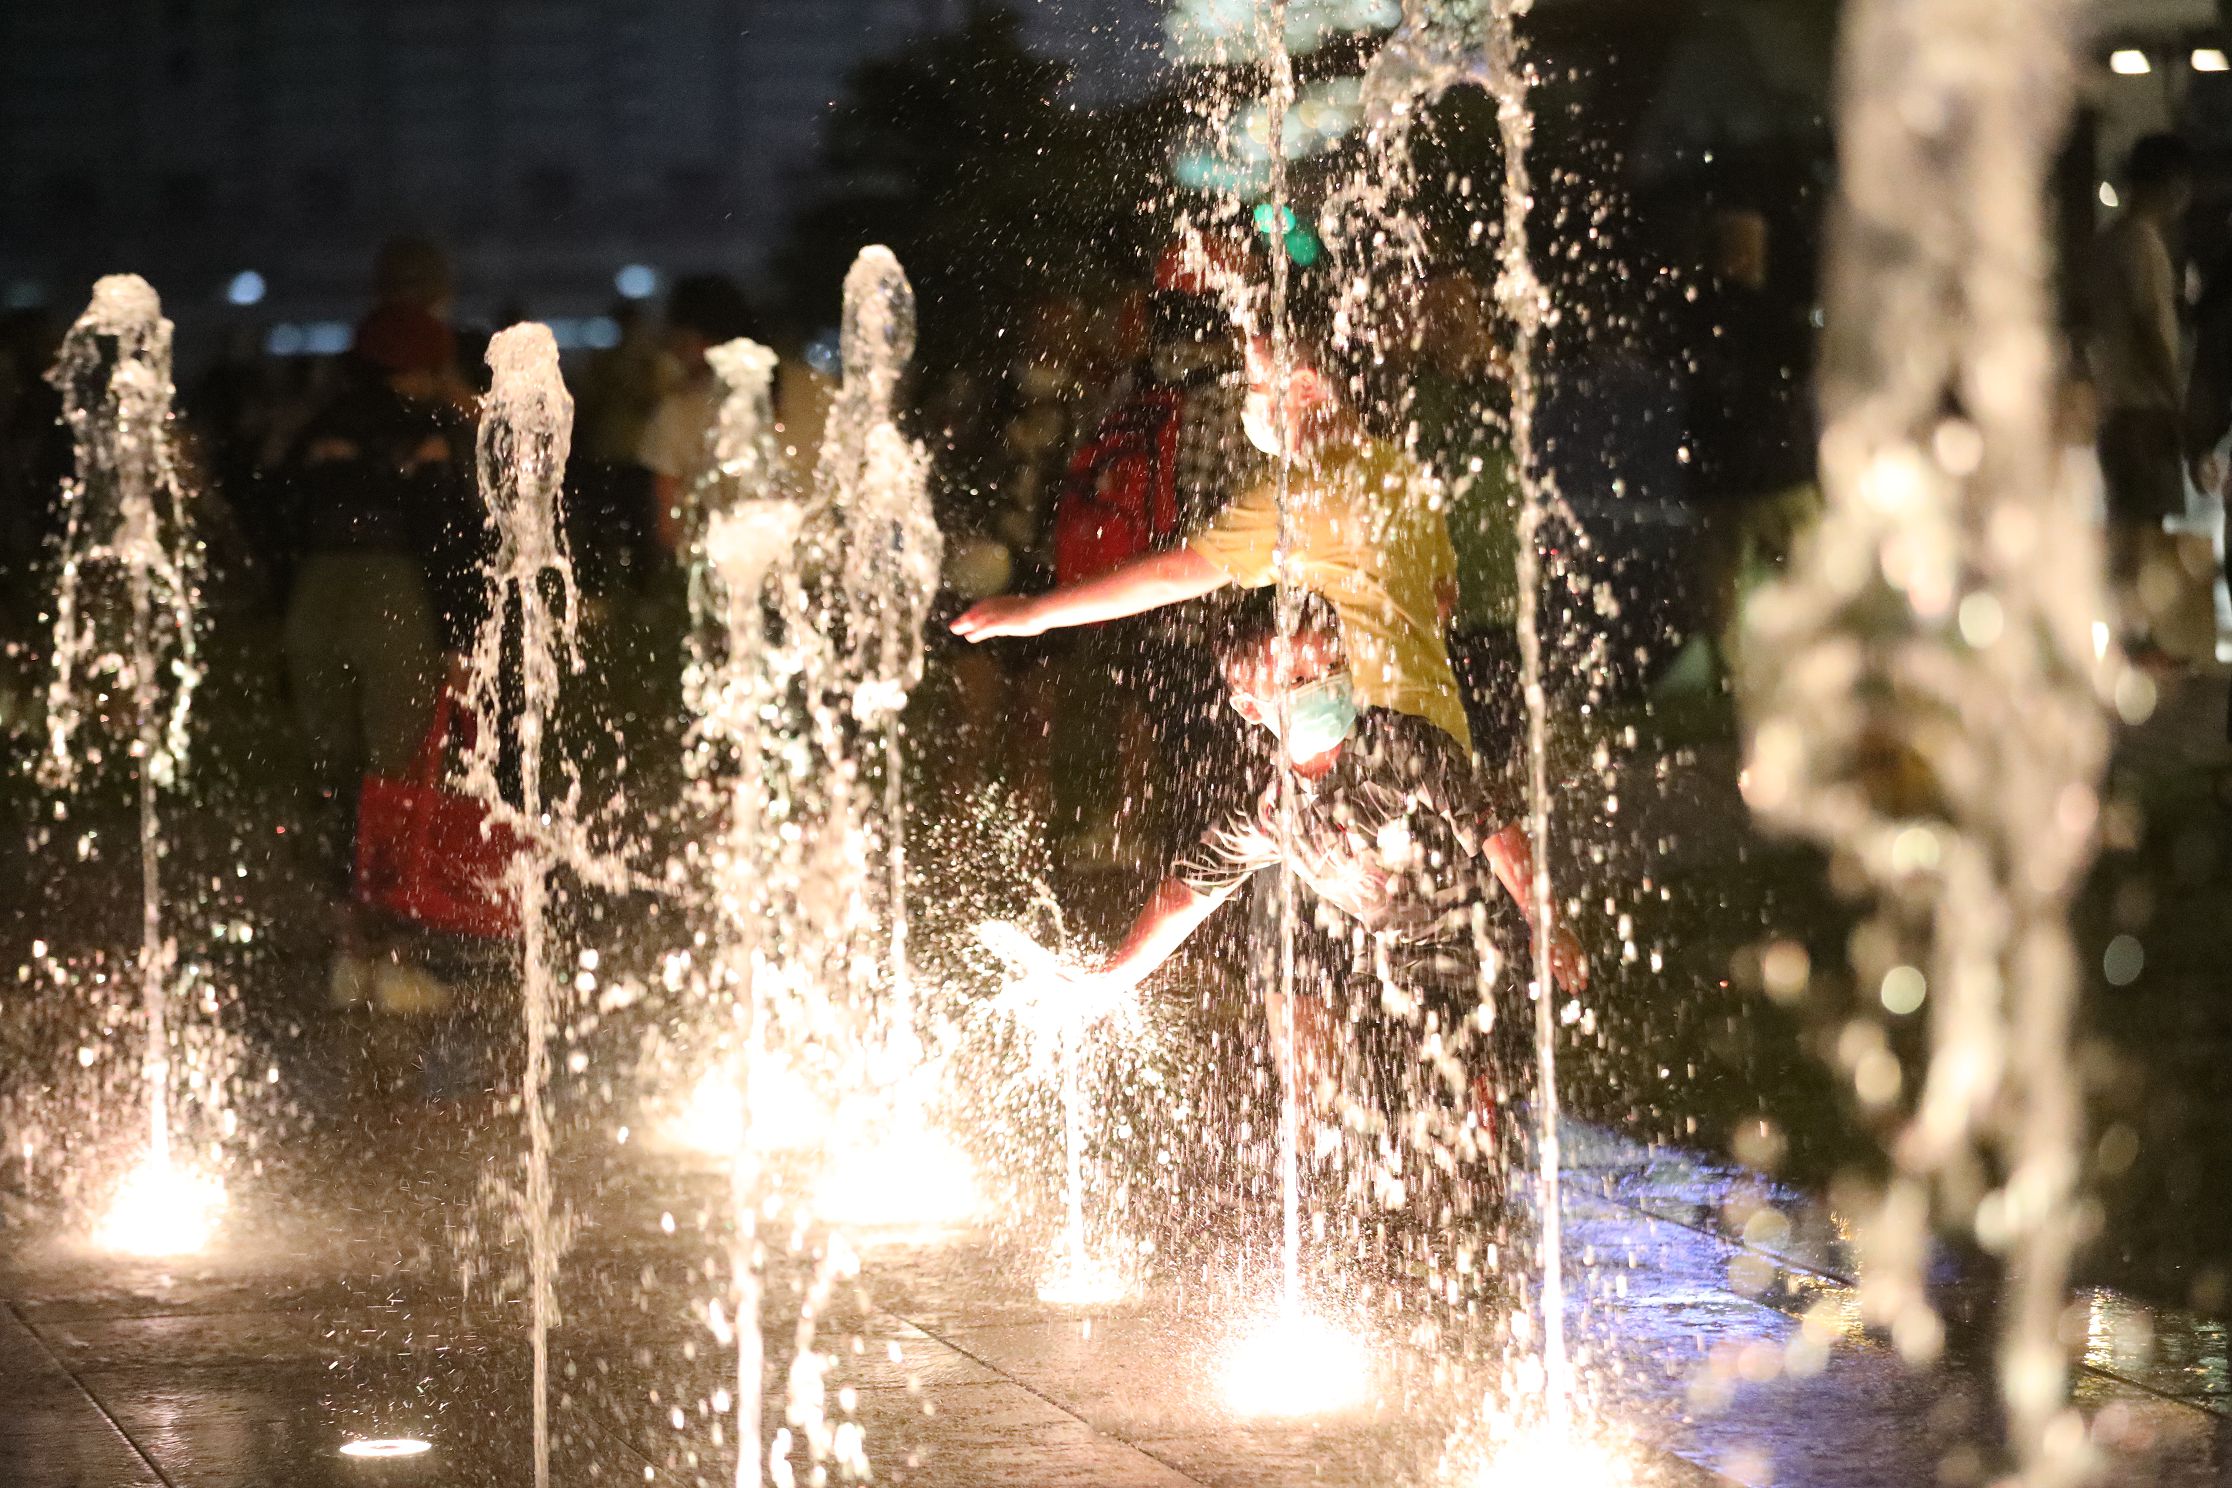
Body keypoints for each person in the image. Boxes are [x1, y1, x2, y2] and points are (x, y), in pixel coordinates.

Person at [1044, 594, 1583, 1137]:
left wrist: (1545, 919)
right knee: (1384, 1101)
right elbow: (1189, 892)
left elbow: (1493, 825)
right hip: (1389, 962)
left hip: (1478, 948)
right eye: (1299, 681)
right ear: (1251, 706)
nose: (1325, 685)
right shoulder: (1279, 809)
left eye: (1334, 666)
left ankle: (1486, 1156)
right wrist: (1113, 978)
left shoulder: (1398, 749)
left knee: (1464, 1089)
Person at [954, 297, 1475, 755]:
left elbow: (1172, 576)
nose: (1248, 400)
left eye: (1256, 383)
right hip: (1441, 739)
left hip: (1380, 755)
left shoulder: (1301, 495)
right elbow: (1441, 599)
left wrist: (1036, 612)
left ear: (1305, 386)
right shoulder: (1397, 471)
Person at [2090, 132, 2196, 660]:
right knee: (2141, 524)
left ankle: (2128, 634)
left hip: (2114, 402)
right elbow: (2152, 327)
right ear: (2170, 184)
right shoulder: (2143, 244)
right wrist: (2176, 394)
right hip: (2142, 404)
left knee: (2126, 522)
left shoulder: (2109, 241)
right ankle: (2135, 639)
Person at [635, 274, 762, 559]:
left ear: (695, 339)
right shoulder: (814, 385)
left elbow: (669, 530)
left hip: (727, 574)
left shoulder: (678, 412)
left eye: (675, 339)